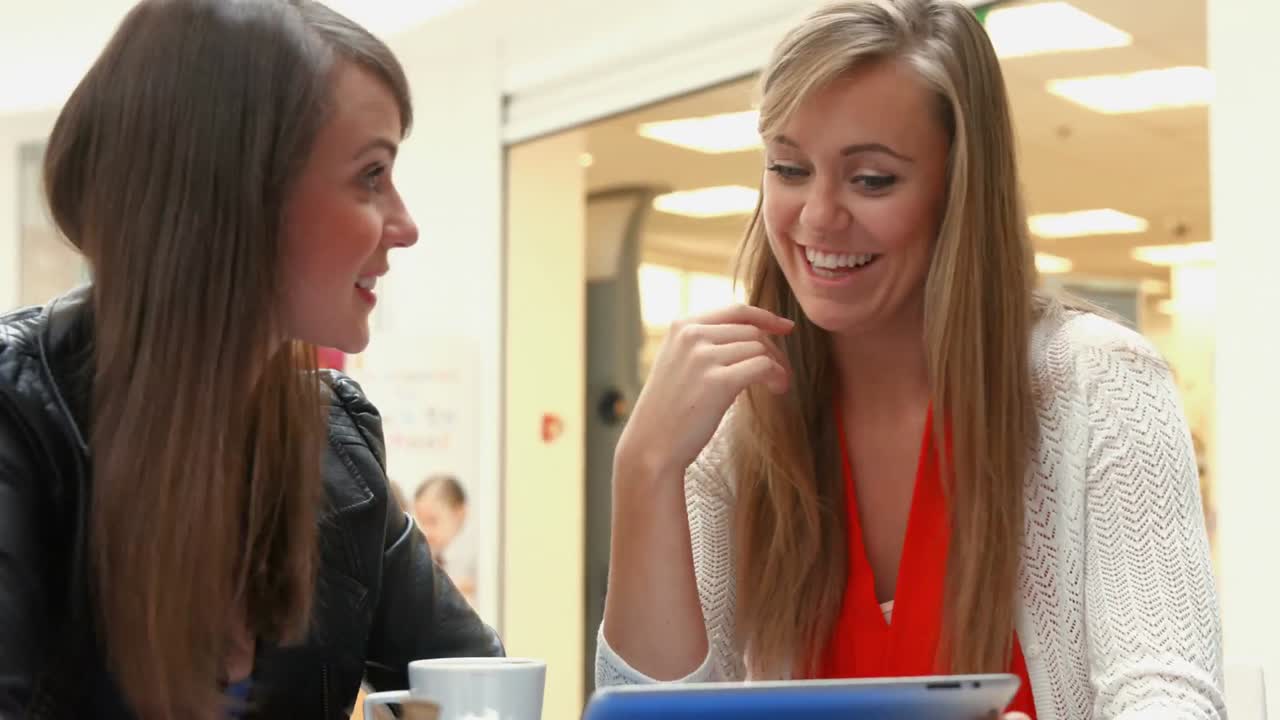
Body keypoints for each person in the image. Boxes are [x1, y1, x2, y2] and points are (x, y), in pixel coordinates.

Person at [596, 1, 1224, 718]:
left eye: (871, 180)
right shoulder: (735, 422)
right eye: (789, 167)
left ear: (960, 190)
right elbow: (653, 713)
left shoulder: (1098, 385)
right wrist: (644, 466)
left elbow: (1168, 697)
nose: (818, 216)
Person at [0, 1, 502, 718]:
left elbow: (475, 689)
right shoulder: (18, 423)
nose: (406, 225)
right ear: (235, 194)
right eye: (370, 175)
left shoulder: (339, 445)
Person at [413, 475, 477, 605]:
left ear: (460, 513)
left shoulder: (477, 560)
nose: (426, 531)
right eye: (421, 521)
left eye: (432, 521)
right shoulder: (426, 556)